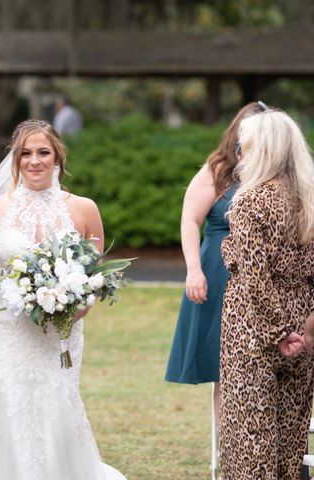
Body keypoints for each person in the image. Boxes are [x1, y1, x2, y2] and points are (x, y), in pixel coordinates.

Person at [0, 119, 125, 480]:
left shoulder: (83, 209)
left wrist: (74, 310)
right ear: (14, 160)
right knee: (5, 398)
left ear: (57, 157)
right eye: (25, 153)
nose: (34, 160)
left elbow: (94, 278)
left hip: (59, 333)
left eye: (43, 152)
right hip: (3, 330)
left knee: (55, 401)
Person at [164, 101, 268, 471]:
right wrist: (194, 270)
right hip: (218, 273)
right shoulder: (218, 170)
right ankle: (230, 456)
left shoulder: (281, 172)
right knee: (225, 367)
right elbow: (190, 220)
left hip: (268, 278)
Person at [219, 109, 314, 479]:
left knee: (250, 437)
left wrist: (277, 332)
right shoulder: (308, 199)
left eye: (244, 148)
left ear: (263, 151)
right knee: (290, 439)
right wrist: (302, 328)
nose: (240, 156)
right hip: (303, 321)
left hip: (253, 328)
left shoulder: (250, 201)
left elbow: (255, 276)